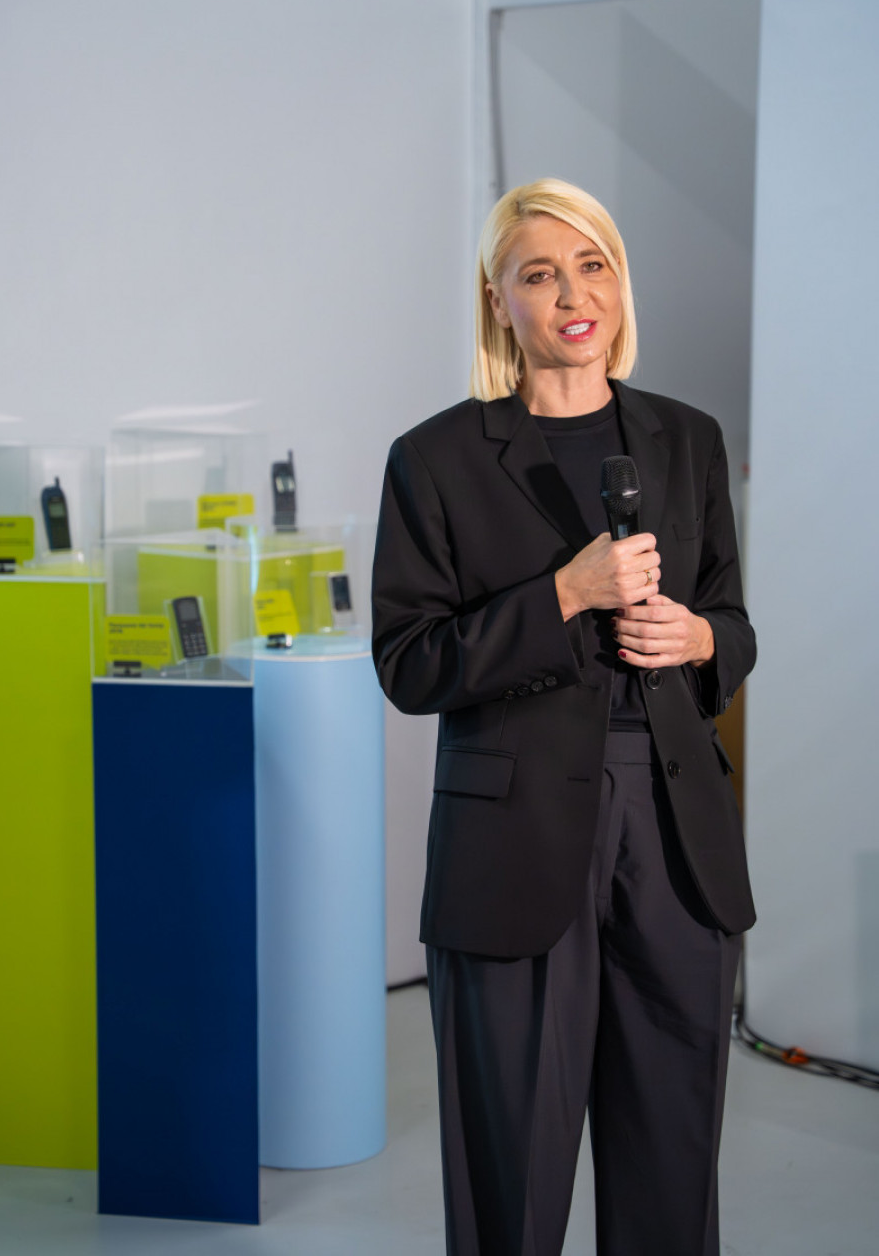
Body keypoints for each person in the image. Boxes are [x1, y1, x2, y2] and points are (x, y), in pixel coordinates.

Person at [371, 178, 756, 1256]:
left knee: (672, 1167)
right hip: (515, 837)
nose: (572, 295)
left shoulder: (687, 438)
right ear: (499, 301)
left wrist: (703, 639)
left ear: (620, 286)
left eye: (593, 267)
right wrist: (562, 596)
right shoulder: (435, 458)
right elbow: (409, 662)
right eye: (539, 274)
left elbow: (732, 618)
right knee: (513, 1182)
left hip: (675, 840)